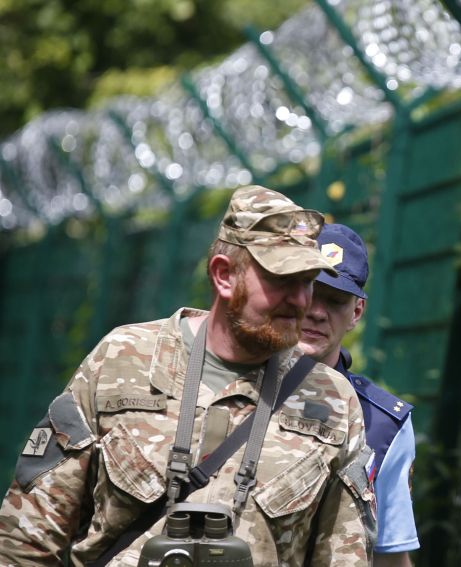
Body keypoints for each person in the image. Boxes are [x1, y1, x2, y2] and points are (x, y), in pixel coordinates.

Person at [0, 186, 376, 566]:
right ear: (225, 276)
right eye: (282, 280)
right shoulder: (122, 359)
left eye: (307, 280)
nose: (301, 300)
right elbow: (28, 538)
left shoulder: (331, 401)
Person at [299, 223, 419, 567]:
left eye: (335, 301)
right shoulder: (235, 385)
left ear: (356, 313)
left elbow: (390, 557)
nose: (317, 311)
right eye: (309, 291)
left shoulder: (382, 424)